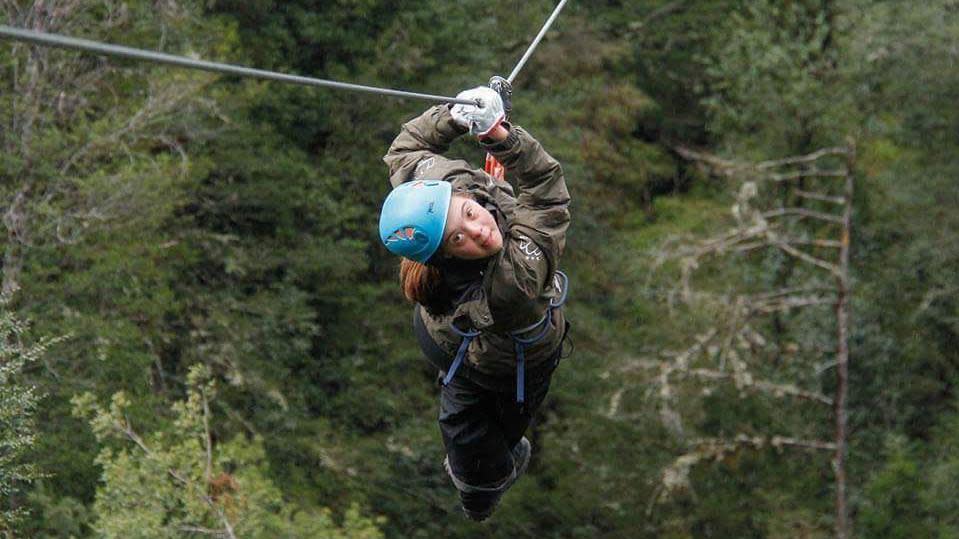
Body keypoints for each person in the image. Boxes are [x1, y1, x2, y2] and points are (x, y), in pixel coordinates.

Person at [378, 85, 570, 521]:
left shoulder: (441, 188)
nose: (478, 230)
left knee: (466, 430)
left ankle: (479, 487)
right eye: (458, 240)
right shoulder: (512, 285)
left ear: (457, 193)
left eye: (467, 214)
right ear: (445, 256)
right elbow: (546, 193)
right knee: (480, 442)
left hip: (445, 339)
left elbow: (407, 148)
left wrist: (458, 116)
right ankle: (481, 498)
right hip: (505, 365)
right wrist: (504, 139)